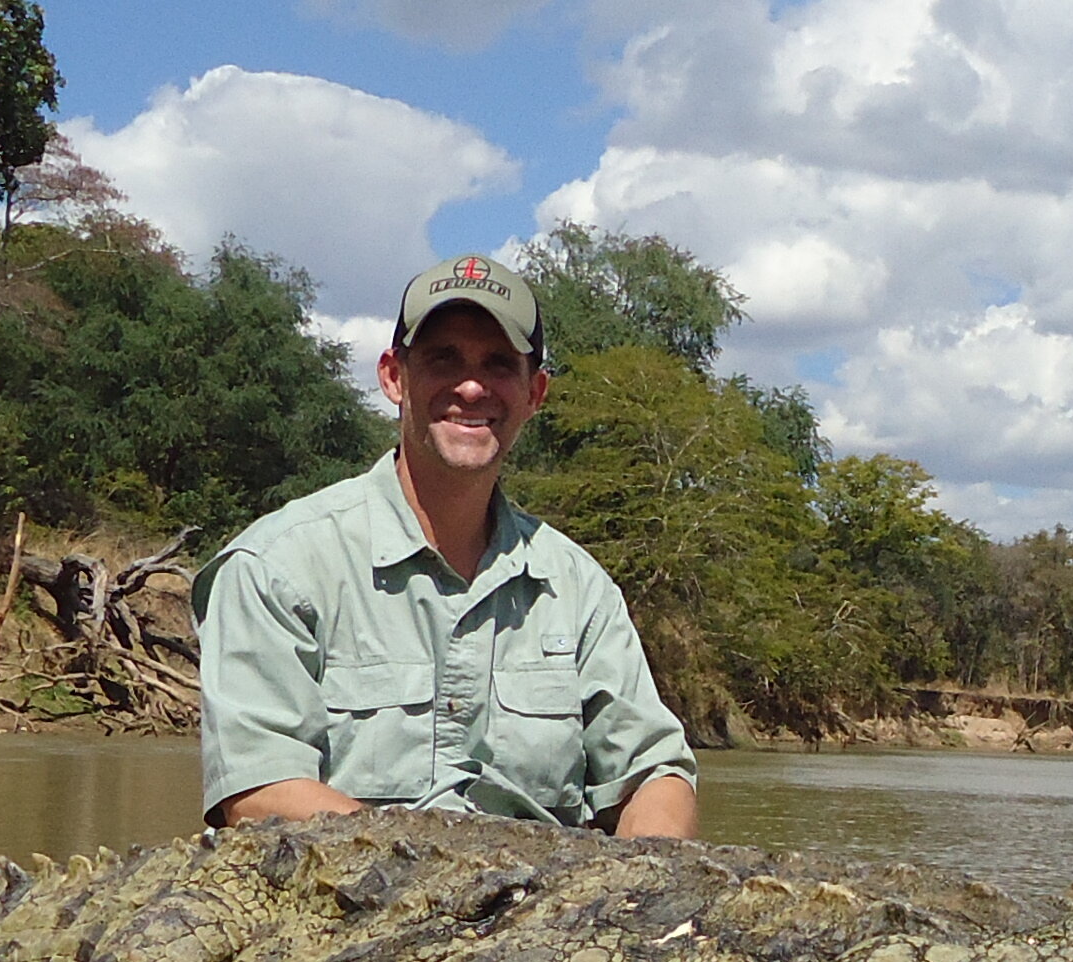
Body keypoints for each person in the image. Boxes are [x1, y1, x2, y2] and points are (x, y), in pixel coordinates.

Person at [193, 254, 700, 837]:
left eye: (498, 365)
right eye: (443, 359)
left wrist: (641, 892)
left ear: (534, 392)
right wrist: (456, 867)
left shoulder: (580, 589)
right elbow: (258, 791)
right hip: (340, 912)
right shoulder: (274, 568)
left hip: (547, 916)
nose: (471, 386)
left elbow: (654, 774)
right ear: (393, 377)